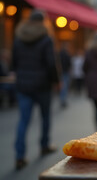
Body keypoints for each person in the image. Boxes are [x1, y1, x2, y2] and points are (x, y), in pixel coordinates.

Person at [12, 10, 59, 170]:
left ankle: (19, 155)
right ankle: (44, 145)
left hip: (23, 85)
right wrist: (57, 81)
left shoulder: (18, 38)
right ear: (43, 22)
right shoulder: (46, 39)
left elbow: (14, 63)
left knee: (23, 120)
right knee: (45, 116)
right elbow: (51, 64)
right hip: (42, 85)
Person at [59, 43, 71, 108]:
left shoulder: (59, 54)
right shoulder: (67, 54)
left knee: (62, 86)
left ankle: (62, 99)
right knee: (65, 86)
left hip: (60, 72)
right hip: (65, 72)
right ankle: (63, 100)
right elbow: (69, 63)